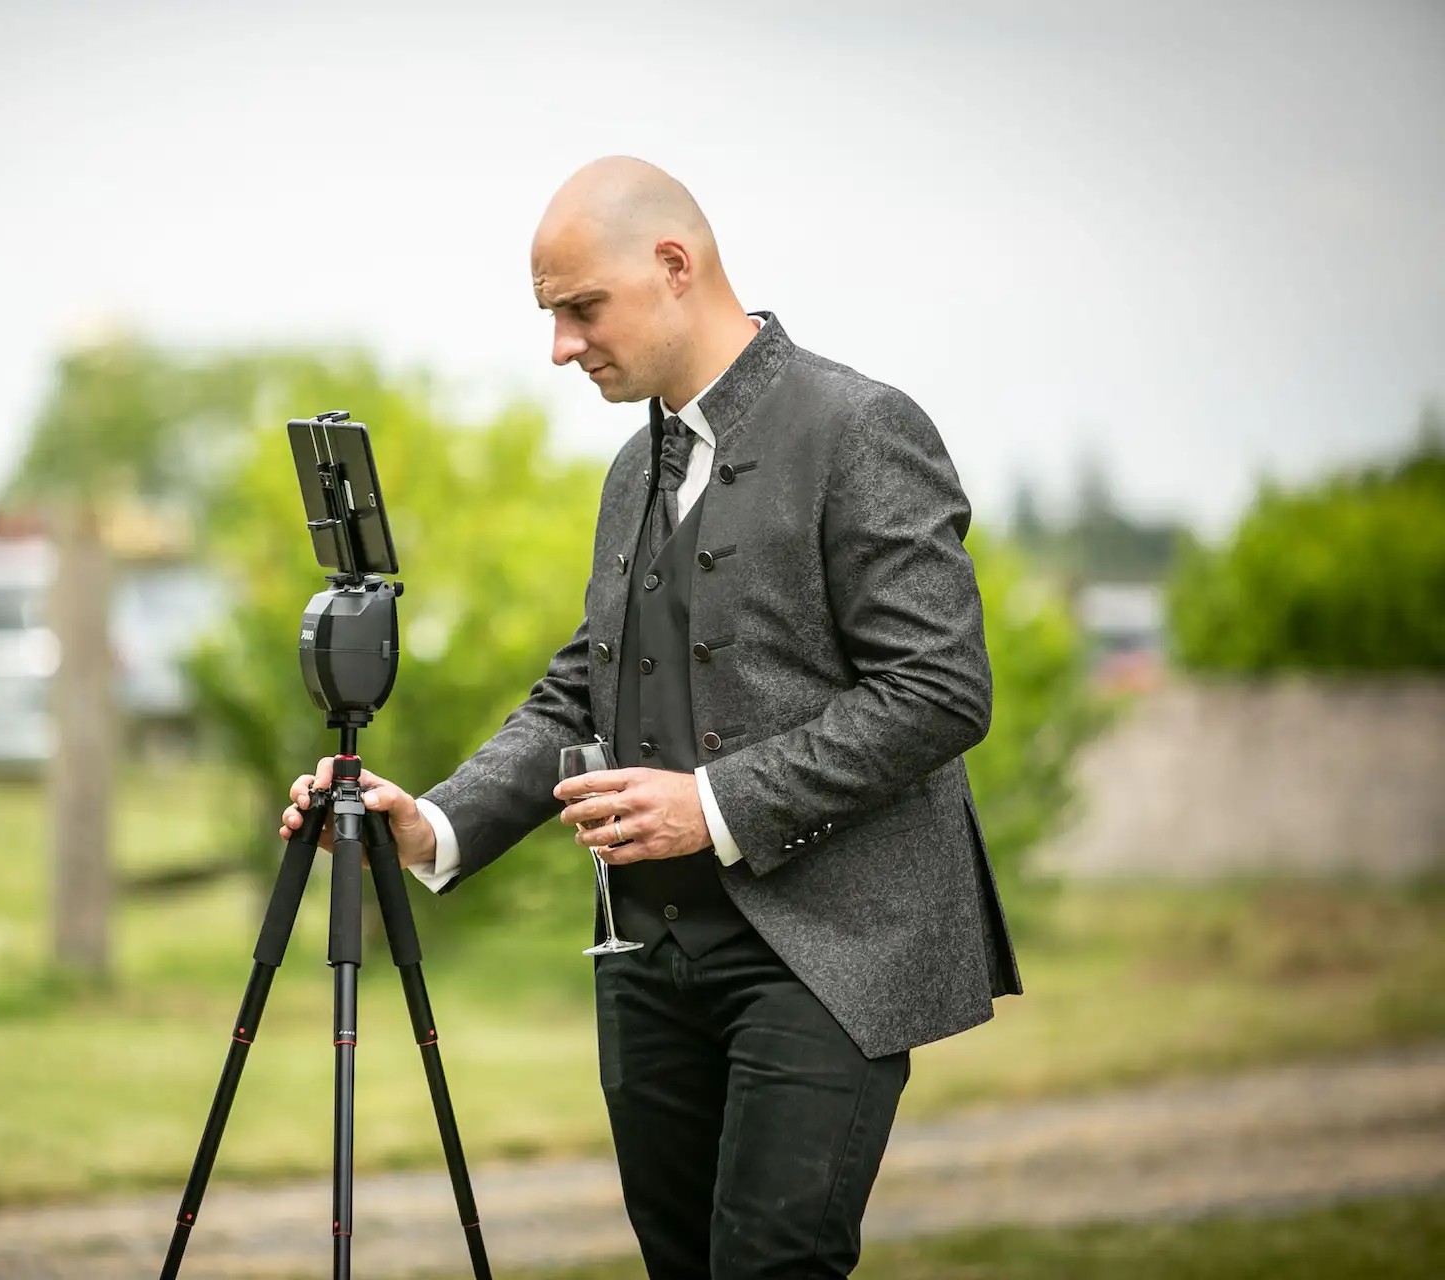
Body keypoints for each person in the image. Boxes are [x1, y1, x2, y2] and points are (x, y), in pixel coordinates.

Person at [280, 155, 1021, 1278]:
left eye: (582, 308)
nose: (562, 346)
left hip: (828, 950)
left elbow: (939, 686)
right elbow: (585, 686)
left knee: (769, 1264)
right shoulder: (635, 469)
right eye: (552, 316)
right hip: (645, 957)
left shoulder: (862, 427)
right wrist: (432, 822)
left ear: (675, 266)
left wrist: (713, 804)